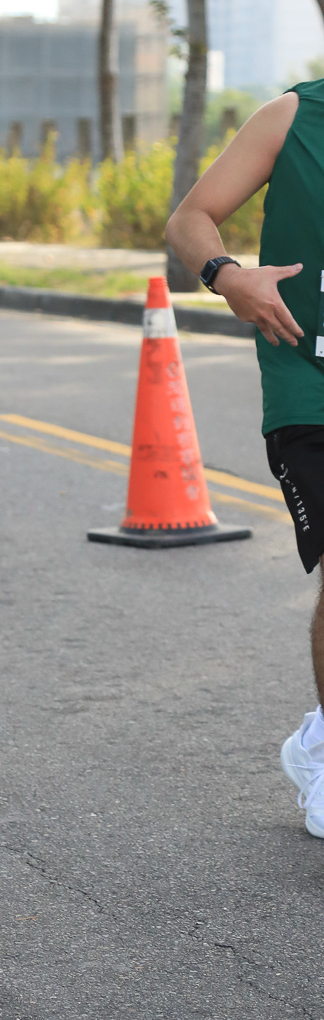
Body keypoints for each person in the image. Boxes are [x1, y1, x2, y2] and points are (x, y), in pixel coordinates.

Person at [167, 80, 324, 841]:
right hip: (309, 386)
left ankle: (316, 735)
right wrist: (228, 278)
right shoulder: (294, 117)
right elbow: (190, 218)